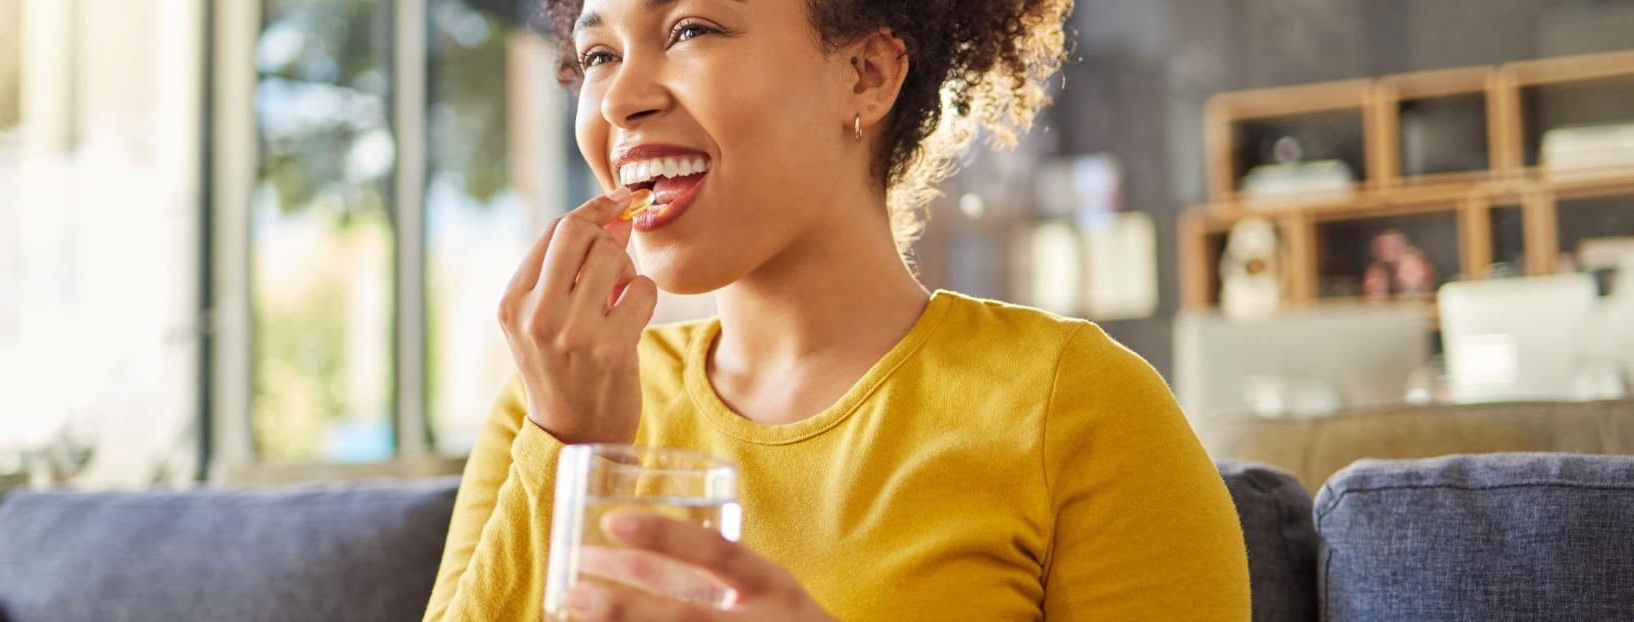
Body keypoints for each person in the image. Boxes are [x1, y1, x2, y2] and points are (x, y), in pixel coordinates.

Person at [425, 0, 1250, 619]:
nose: (617, 101)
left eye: (690, 30)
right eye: (598, 53)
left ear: (867, 73)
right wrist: (569, 449)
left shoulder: (1077, 406)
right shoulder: (553, 409)